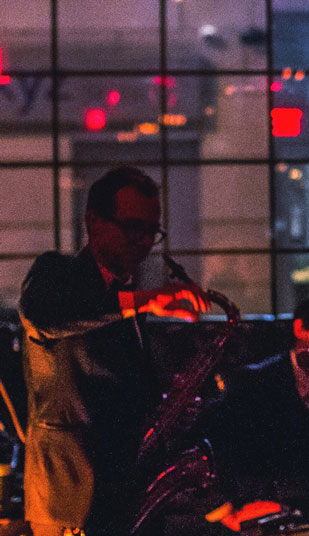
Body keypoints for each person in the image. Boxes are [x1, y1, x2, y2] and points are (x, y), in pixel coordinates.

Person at [19, 166, 210, 536]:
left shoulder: (130, 299)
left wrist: (167, 410)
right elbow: (46, 315)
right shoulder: (55, 271)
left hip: (121, 495)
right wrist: (146, 300)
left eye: (151, 231)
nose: (143, 241)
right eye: (132, 227)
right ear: (94, 221)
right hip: (72, 498)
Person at [206, 294, 309, 532]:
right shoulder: (254, 382)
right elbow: (217, 448)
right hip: (265, 510)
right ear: (300, 328)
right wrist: (226, 510)